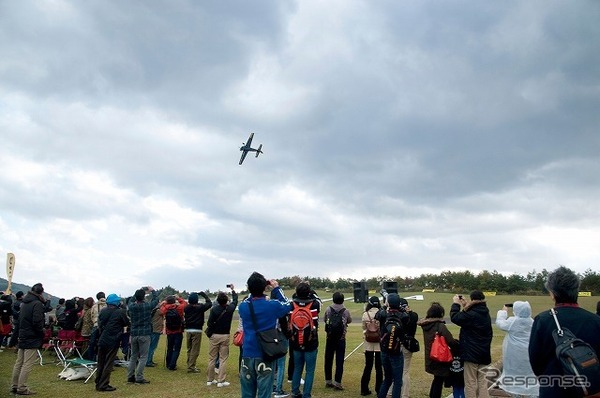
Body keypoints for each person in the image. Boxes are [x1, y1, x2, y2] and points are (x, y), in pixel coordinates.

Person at [529, 266, 600, 398]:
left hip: (553, 389)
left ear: (553, 293)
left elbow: (535, 360)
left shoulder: (543, 320)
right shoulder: (596, 321)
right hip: (589, 389)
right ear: (576, 290)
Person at [238, 272, 292, 398]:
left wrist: (256, 288)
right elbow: (287, 304)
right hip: (265, 353)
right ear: (264, 288)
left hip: (247, 354)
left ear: (249, 288)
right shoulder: (272, 306)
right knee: (264, 393)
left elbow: (248, 299)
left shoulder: (243, 307)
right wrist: (276, 287)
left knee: (247, 393)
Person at [450, 291, 492, 398]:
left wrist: (456, 304)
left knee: (470, 383)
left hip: (471, 353)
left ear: (472, 300)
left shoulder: (471, 314)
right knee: (483, 383)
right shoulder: (485, 312)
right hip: (484, 353)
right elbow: (471, 317)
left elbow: (455, 317)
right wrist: (465, 305)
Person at [495, 301, 538, 397]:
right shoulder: (532, 322)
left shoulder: (512, 321)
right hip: (529, 354)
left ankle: (516, 394)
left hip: (514, 353)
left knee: (514, 376)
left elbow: (499, 323)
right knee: (530, 375)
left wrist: (503, 311)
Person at [418, 302, 460, 398]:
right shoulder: (439, 326)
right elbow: (450, 341)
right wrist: (457, 344)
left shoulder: (426, 325)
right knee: (439, 381)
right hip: (440, 356)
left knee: (436, 379)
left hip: (431, 355)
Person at [11, 283, 46, 395]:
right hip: (32, 336)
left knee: (19, 362)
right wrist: (41, 331)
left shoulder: (24, 304)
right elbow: (37, 321)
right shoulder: (37, 304)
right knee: (27, 364)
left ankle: (15, 385)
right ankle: (22, 388)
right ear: (41, 292)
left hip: (22, 334)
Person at [289, 281, 321, 398]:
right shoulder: (315, 304)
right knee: (310, 370)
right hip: (311, 341)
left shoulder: (291, 304)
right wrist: (310, 290)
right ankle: (306, 394)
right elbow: (317, 299)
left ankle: (295, 391)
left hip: (295, 340)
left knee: (297, 368)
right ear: (309, 292)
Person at [376, 292, 408, 398]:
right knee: (398, 381)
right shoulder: (403, 316)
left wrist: (385, 305)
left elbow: (377, 315)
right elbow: (407, 316)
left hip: (384, 350)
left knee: (387, 379)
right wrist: (400, 307)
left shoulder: (384, 314)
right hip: (396, 351)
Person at [95, 293, 130, 392]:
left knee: (101, 362)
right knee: (108, 363)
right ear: (116, 302)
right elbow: (126, 323)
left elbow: (100, 323)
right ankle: (104, 384)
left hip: (102, 339)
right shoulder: (120, 312)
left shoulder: (102, 311)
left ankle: (98, 382)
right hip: (113, 339)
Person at [206, 285, 238, 387]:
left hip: (214, 335)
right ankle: (221, 380)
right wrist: (233, 290)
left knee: (212, 358)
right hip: (225, 335)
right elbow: (235, 300)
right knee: (223, 359)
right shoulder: (229, 309)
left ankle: (210, 379)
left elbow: (209, 323)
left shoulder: (214, 309)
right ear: (226, 301)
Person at [126, 286, 159, 384]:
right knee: (143, 357)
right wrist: (153, 290)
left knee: (133, 356)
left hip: (134, 333)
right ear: (144, 297)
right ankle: (139, 377)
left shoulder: (132, 306)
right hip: (145, 333)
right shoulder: (147, 306)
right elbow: (156, 300)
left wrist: (137, 293)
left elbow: (130, 301)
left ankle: (130, 376)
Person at [323, 291, 352, 390]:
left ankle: (328, 380)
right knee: (339, 361)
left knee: (328, 359)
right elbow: (349, 320)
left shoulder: (328, 309)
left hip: (329, 338)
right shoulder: (345, 311)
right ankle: (337, 382)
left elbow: (325, 319)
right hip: (341, 338)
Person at [184, 291, 212, 373]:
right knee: (195, 349)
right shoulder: (200, 307)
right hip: (197, 330)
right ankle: (191, 367)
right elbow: (209, 303)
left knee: (189, 348)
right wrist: (204, 295)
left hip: (188, 329)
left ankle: (189, 363)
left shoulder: (186, 308)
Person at [361, 296, 383, 396]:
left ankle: (364, 389)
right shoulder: (382, 313)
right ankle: (379, 390)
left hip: (368, 343)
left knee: (368, 366)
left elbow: (363, 328)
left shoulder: (365, 314)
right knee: (379, 368)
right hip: (379, 343)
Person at [160, 295, 187, 370]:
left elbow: (161, 309)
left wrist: (164, 303)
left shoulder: (165, 309)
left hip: (169, 331)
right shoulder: (179, 308)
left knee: (170, 348)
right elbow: (184, 303)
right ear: (174, 301)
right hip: (178, 331)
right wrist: (178, 298)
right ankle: (172, 364)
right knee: (177, 349)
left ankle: (168, 363)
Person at [399, 298, 418, 398]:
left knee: (398, 371)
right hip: (409, 345)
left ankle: (395, 392)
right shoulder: (414, 315)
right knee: (405, 371)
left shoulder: (400, 316)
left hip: (400, 344)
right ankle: (405, 394)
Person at [84, 291, 106, 360]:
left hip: (96, 325)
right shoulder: (108, 305)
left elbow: (92, 316)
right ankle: (102, 359)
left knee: (92, 343)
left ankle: (91, 358)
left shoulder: (94, 306)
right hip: (105, 327)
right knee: (103, 343)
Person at [146, 302, 163, 367]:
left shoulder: (151, 311)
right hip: (156, 330)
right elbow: (164, 312)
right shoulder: (158, 311)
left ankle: (149, 360)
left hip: (152, 329)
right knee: (152, 346)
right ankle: (148, 361)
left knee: (150, 346)